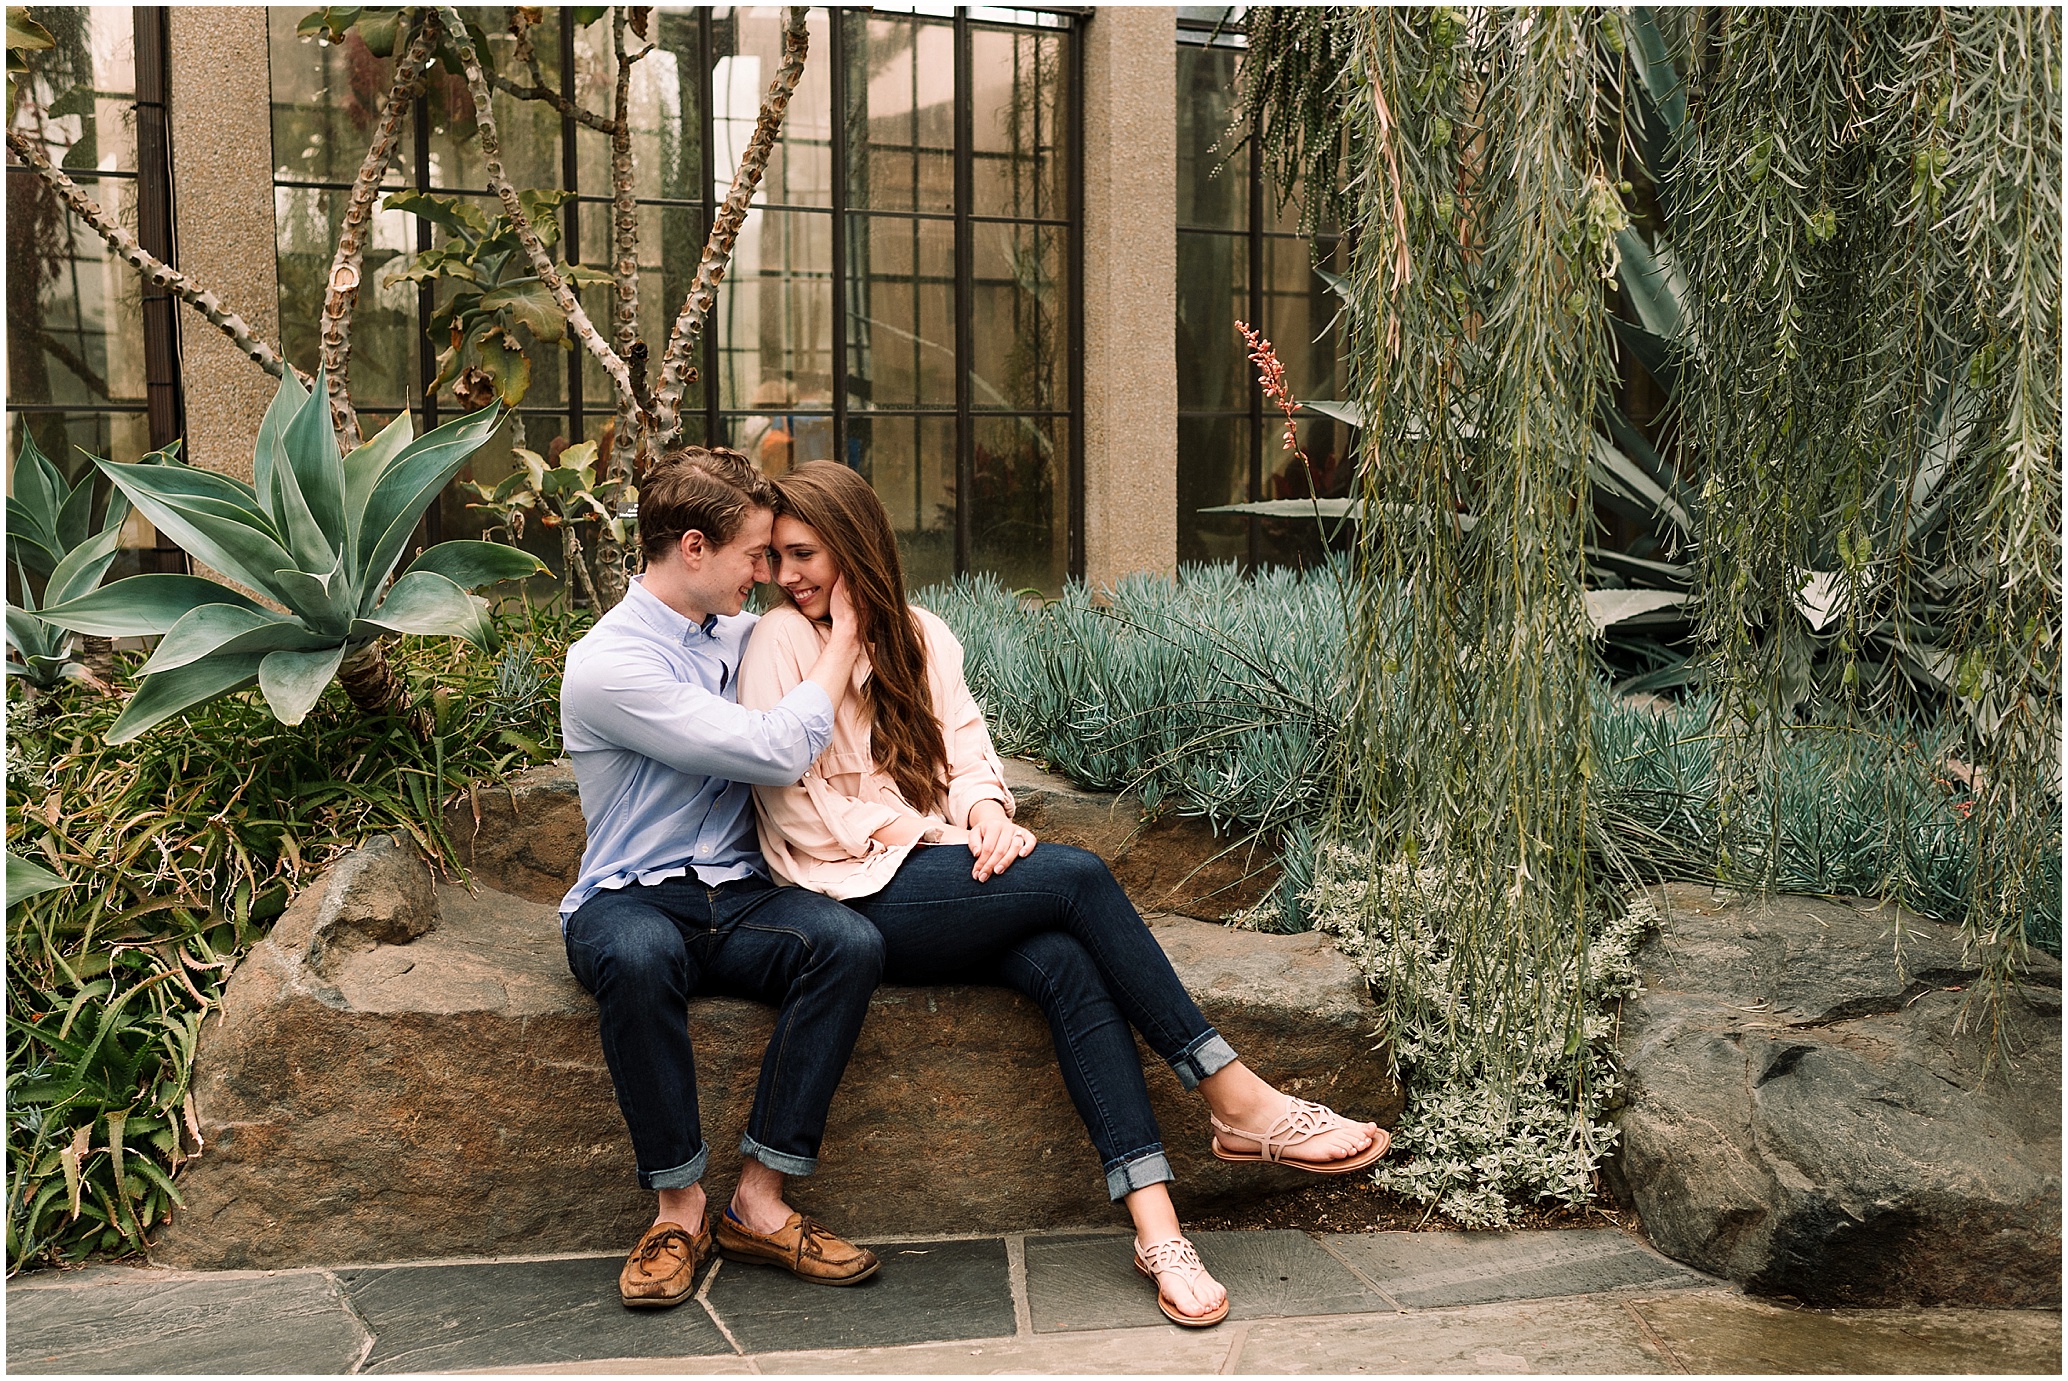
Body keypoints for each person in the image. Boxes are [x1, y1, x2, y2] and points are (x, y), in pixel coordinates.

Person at [736, 460, 1390, 1329]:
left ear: (858, 543)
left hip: (941, 876)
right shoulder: (779, 641)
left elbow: (967, 757)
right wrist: (949, 834)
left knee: (1065, 963)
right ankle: (1233, 1095)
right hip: (847, 892)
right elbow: (798, 809)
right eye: (778, 558)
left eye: (805, 553)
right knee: (1077, 875)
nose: (789, 576)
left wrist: (988, 815)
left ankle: (1159, 1232)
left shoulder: (928, 637)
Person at [558, 448, 888, 1310]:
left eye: (782, 558)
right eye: (756, 554)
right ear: (694, 547)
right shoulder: (609, 664)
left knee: (848, 943)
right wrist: (844, 634)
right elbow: (777, 744)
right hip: (630, 893)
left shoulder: (746, 636)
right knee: (636, 958)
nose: (771, 574)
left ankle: (759, 1199)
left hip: (739, 893)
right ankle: (678, 1208)